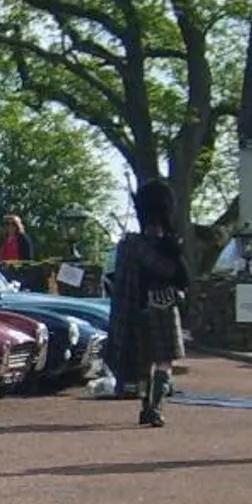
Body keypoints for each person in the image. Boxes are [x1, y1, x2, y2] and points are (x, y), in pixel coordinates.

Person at [106, 182, 187, 428]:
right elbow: (178, 275)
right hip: (162, 307)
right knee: (163, 361)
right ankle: (156, 408)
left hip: (138, 309)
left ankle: (146, 407)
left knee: (146, 362)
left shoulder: (129, 245)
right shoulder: (165, 246)